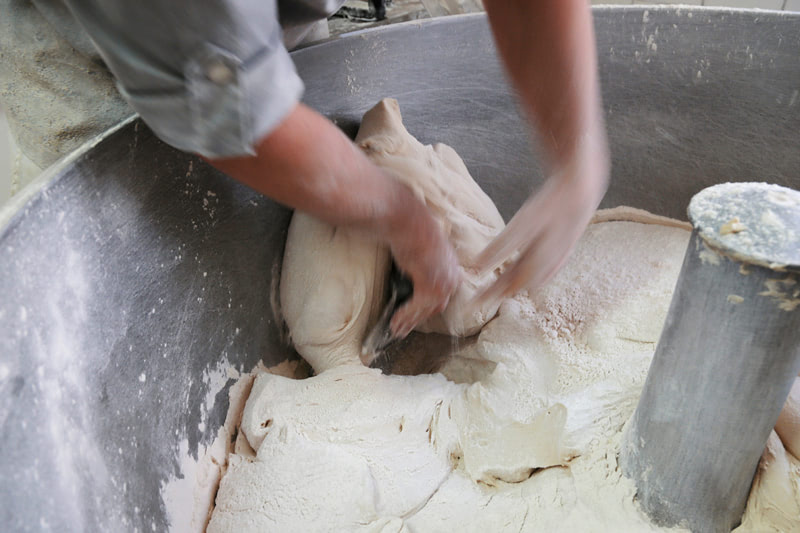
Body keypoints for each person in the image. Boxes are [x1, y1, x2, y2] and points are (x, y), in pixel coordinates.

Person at [0, 0, 609, 340]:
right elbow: (238, 118)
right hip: (108, 51)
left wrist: (577, 153)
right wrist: (403, 218)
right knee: (123, 254)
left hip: (237, 21)